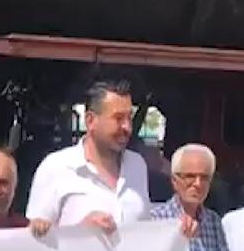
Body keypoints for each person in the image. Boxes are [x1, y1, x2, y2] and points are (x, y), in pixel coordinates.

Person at [27, 80, 151, 237]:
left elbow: (147, 232)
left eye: (129, 118)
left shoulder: (137, 165)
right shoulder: (55, 167)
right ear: (90, 121)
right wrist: (81, 231)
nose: (127, 127)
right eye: (118, 118)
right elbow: (35, 240)